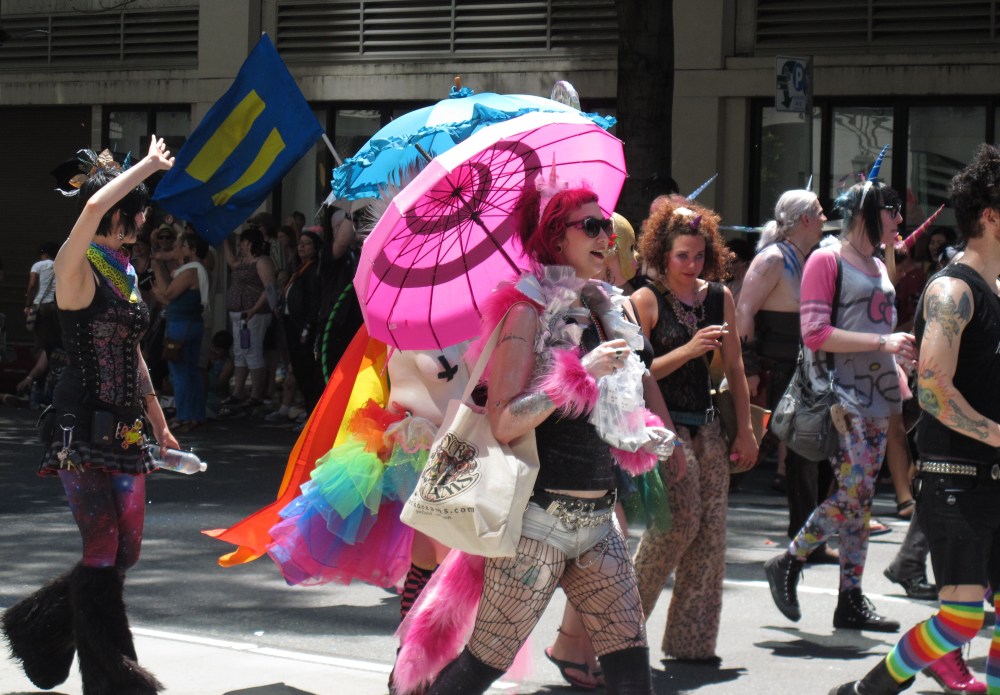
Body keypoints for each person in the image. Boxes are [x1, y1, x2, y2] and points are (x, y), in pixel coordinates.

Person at [403, 187, 673, 695]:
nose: (605, 235)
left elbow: (600, 416)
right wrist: (580, 373)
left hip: (597, 523)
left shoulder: (600, 306)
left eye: (605, 225)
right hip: (537, 528)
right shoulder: (525, 310)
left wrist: (641, 437)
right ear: (555, 236)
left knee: (632, 674)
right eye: (589, 226)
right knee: (480, 667)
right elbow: (506, 420)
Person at [0, 139, 177, 694]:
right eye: (141, 208)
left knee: (125, 552)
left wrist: (160, 422)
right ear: (120, 211)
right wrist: (145, 167)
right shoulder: (74, 264)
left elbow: (134, 352)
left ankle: (35, 625)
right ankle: (115, 679)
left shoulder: (124, 273)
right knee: (101, 549)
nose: (145, 218)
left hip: (125, 426)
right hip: (80, 426)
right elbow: (92, 209)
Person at [829, 145, 1000, 695]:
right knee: (960, 621)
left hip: (993, 477)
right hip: (957, 479)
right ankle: (868, 691)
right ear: (991, 216)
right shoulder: (953, 290)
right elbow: (931, 389)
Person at [764, 179, 916, 635]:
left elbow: (876, 323)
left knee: (861, 498)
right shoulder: (827, 260)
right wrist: (882, 342)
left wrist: (896, 362)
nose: (899, 220)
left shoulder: (874, 262)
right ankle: (789, 559)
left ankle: (849, 597)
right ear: (870, 211)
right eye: (892, 209)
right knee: (853, 493)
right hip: (839, 396)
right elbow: (814, 332)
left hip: (874, 393)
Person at [630, 199, 758, 664]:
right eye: (682, 255)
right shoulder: (644, 300)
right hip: (664, 429)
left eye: (699, 255)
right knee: (676, 526)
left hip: (707, 427)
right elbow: (638, 375)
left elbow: (736, 370)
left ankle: (691, 643)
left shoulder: (719, 297)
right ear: (662, 254)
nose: (691, 265)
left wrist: (745, 430)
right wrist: (688, 350)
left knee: (710, 536)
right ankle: (619, 632)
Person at [737, 189, 838, 565]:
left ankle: (808, 534)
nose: (826, 216)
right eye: (819, 211)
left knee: (818, 450)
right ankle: (804, 537)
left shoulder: (807, 257)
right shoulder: (773, 258)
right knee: (800, 452)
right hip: (781, 366)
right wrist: (746, 369)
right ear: (806, 220)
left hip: (811, 366)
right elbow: (743, 313)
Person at [152, 230, 209, 432]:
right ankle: (195, 415)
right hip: (190, 323)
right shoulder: (195, 269)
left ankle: (185, 416)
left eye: (181, 246)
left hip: (182, 325)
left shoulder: (191, 270)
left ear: (191, 250)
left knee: (180, 371)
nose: (177, 249)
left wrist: (157, 268)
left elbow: (168, 293)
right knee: (191, 371)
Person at [223, 224, 276, 407]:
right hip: (239, 315)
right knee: (240, 353)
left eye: (242, 242)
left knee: (253, 352)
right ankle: (238, 392)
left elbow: (268, 287)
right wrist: (223, 238)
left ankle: (256, 394)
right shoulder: (242, 263)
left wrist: (253, 309)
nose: (240, 245)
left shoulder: (262, 261)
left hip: (254, 314)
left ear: (248, 242)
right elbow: (231, 261)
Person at [279, 229, 324, 414]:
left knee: (307, 370)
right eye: (300, 243)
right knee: (297, 368)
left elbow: (314, 300)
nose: (302, 247)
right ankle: (307, 410)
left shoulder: (313, 269)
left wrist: (307, 326)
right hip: (291, 323)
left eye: (307, 243)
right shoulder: (298, 268)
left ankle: (311, 411)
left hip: (303, 326)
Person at [25, 241, 60, 354]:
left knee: (40, 340)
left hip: (40, 305)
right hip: (56, 306)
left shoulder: (38, 265)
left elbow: (32, 285)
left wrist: (28, 305)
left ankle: (40, 367)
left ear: (44, 254)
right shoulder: (60, 265)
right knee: (54, 338)